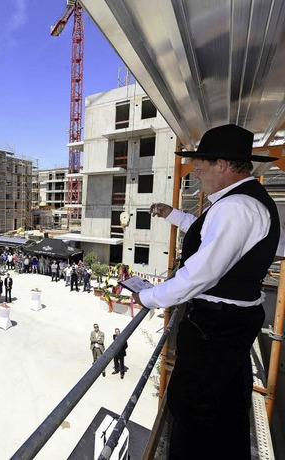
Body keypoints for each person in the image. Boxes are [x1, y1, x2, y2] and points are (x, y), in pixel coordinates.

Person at [133, 124, 282, 460]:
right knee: (226, 406)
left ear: (223, 165)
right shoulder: (245, 202)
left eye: (201, 164)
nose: (195, 171)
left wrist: (147, 297)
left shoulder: (235, 207)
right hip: (232, 323)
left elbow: (200, 275)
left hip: (216, 327)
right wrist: (173, 215)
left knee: (193, 412)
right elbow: (215, 234)